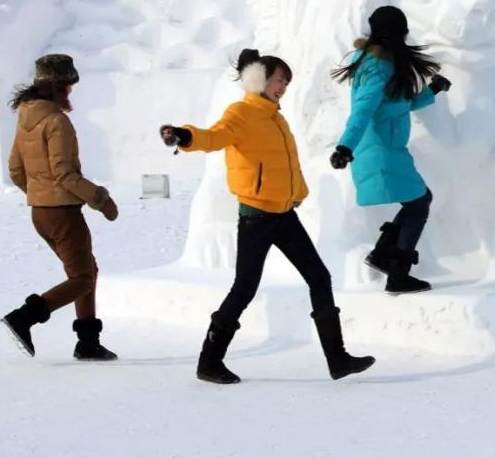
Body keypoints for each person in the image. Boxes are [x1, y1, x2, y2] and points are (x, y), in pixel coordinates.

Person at [160, 48, 374, 384]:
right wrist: (185, 136)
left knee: (319, 277)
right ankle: (209, 361)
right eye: (278, 80)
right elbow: (214, 137)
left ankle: (338, 359)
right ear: (259, 80)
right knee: (244, 288)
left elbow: (286, 163)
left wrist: (297, 193)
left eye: (286, 82)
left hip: (284, 214)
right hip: (256, 216)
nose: (283, 87)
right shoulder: (241, 113)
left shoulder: (275, 117)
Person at [1, 54, 120, 361]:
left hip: (40, 213)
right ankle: (24, 317)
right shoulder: (56, 121)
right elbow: (64, 174)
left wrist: (40, 196)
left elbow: (15, 169)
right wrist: (101, 200)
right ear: (54, 87)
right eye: (67, 88)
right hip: (62, 213)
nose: (70, 95)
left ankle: (88, 342)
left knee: (86, 271)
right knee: (82, 278)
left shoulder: (26, 116)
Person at [329, 5, 451, 294]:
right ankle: (397, 270)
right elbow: (362, 110)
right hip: (379, 149)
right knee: (419, 201)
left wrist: (432, 91)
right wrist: (345, 146)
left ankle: (386, 256)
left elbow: (398, 103)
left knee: (418, 200)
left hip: (388, 148)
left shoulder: (381, 62)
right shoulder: (377, 67)